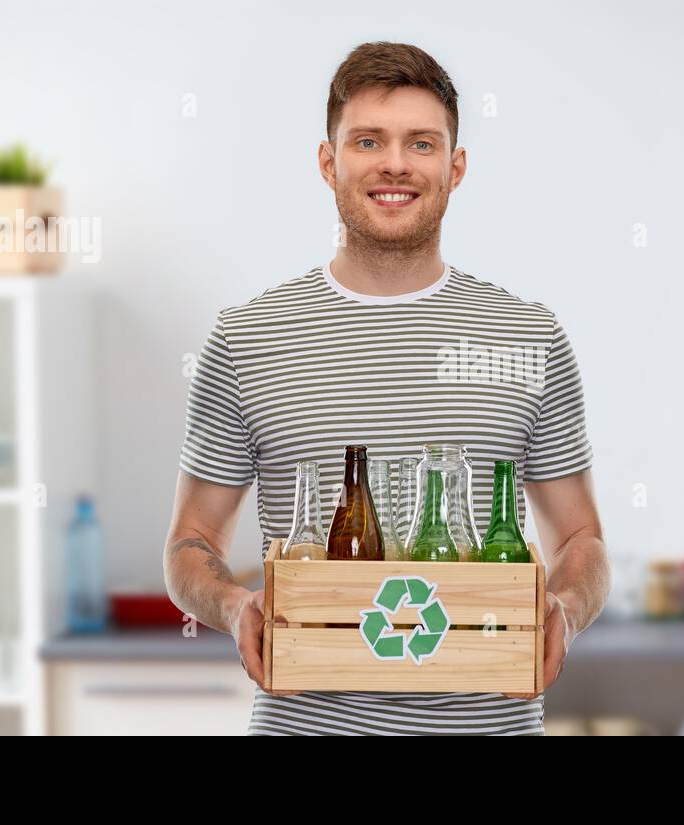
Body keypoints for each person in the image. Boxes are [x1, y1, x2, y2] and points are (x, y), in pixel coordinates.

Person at [163, 41, 609, 735]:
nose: (395, 163)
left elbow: (581, 537)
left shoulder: (529, 337)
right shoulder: (248, 339)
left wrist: (567, 609)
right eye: (368, 140)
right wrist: (234, 605)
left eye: (421, 143)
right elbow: (189, 543)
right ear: (327, 161)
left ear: (455, 168)